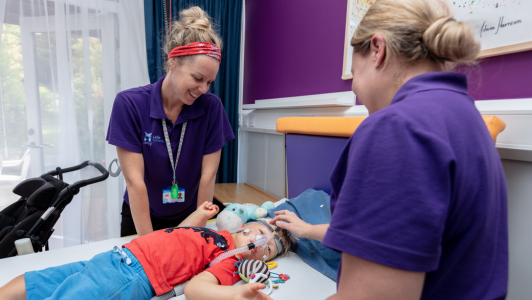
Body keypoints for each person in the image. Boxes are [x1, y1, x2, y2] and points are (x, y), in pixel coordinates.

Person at [272, 0, 508, 299]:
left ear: (377, 50)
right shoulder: (466, 116)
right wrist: (307, 230)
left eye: (354, 73)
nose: (355, 88)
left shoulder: (396, 129)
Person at [106, 6, 235, 237]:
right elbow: (134, 182)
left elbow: (208, 176)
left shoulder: (211, 107)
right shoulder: (130, 104)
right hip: (141, 216)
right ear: (173, 62)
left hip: (190, 214)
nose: (203, 90)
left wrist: (197, 232)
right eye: (198, 78)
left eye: (209, 82)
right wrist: (149, 245)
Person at [0, 202, 292, 300]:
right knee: (39, 280)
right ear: (249, 225)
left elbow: (196, 288)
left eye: (268, 252)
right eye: (264, 233)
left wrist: (232, 293)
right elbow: (178, 233)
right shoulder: (219, 234)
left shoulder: (229, 262)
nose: (262, 245)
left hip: (133, 276)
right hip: (116, 257)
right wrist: (200, 216)